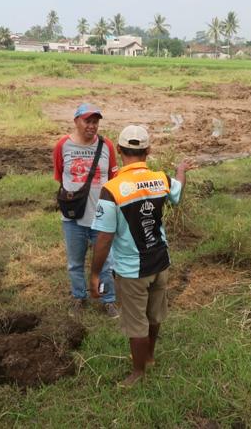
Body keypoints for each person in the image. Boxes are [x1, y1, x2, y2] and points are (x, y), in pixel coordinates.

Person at [89, 125, 191, 387]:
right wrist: (180, 170)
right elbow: (177, 194)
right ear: (148, 151)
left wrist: (95, 272)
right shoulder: (161, 179)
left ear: (120, 150)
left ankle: (138, 372)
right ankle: (150, 358)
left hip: (132, 269)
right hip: (161, 262)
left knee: (136, 324)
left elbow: (104, 238)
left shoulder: (112, 189)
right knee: (154, 316)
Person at [53, 103, 120, 317]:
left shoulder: (106, 145)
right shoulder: (63, 145)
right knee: (75, 263)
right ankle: (78, 297)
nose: (92, 126)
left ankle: (107, 299)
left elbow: (113, 178)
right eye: (87, 121)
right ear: (76, 121)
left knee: (106, 263)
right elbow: (60, 175)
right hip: (73, 217)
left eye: (95, 122)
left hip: (101, 217)